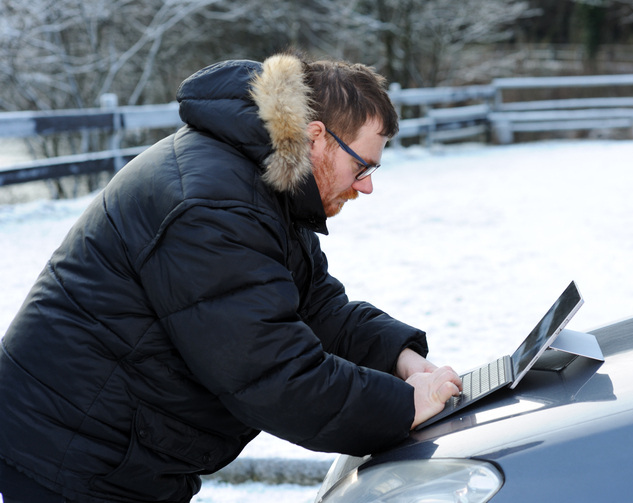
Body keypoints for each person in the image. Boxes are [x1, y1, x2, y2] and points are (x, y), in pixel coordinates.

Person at [0, 52, 462, 503]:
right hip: (70, 454)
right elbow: (274, 374)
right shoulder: (212, 207)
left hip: (119, 451)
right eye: (362, 165)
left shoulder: (262, 177)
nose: (367, 185)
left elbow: (314, 305)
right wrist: (405, 407)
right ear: (316, 137)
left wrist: (398, 356)